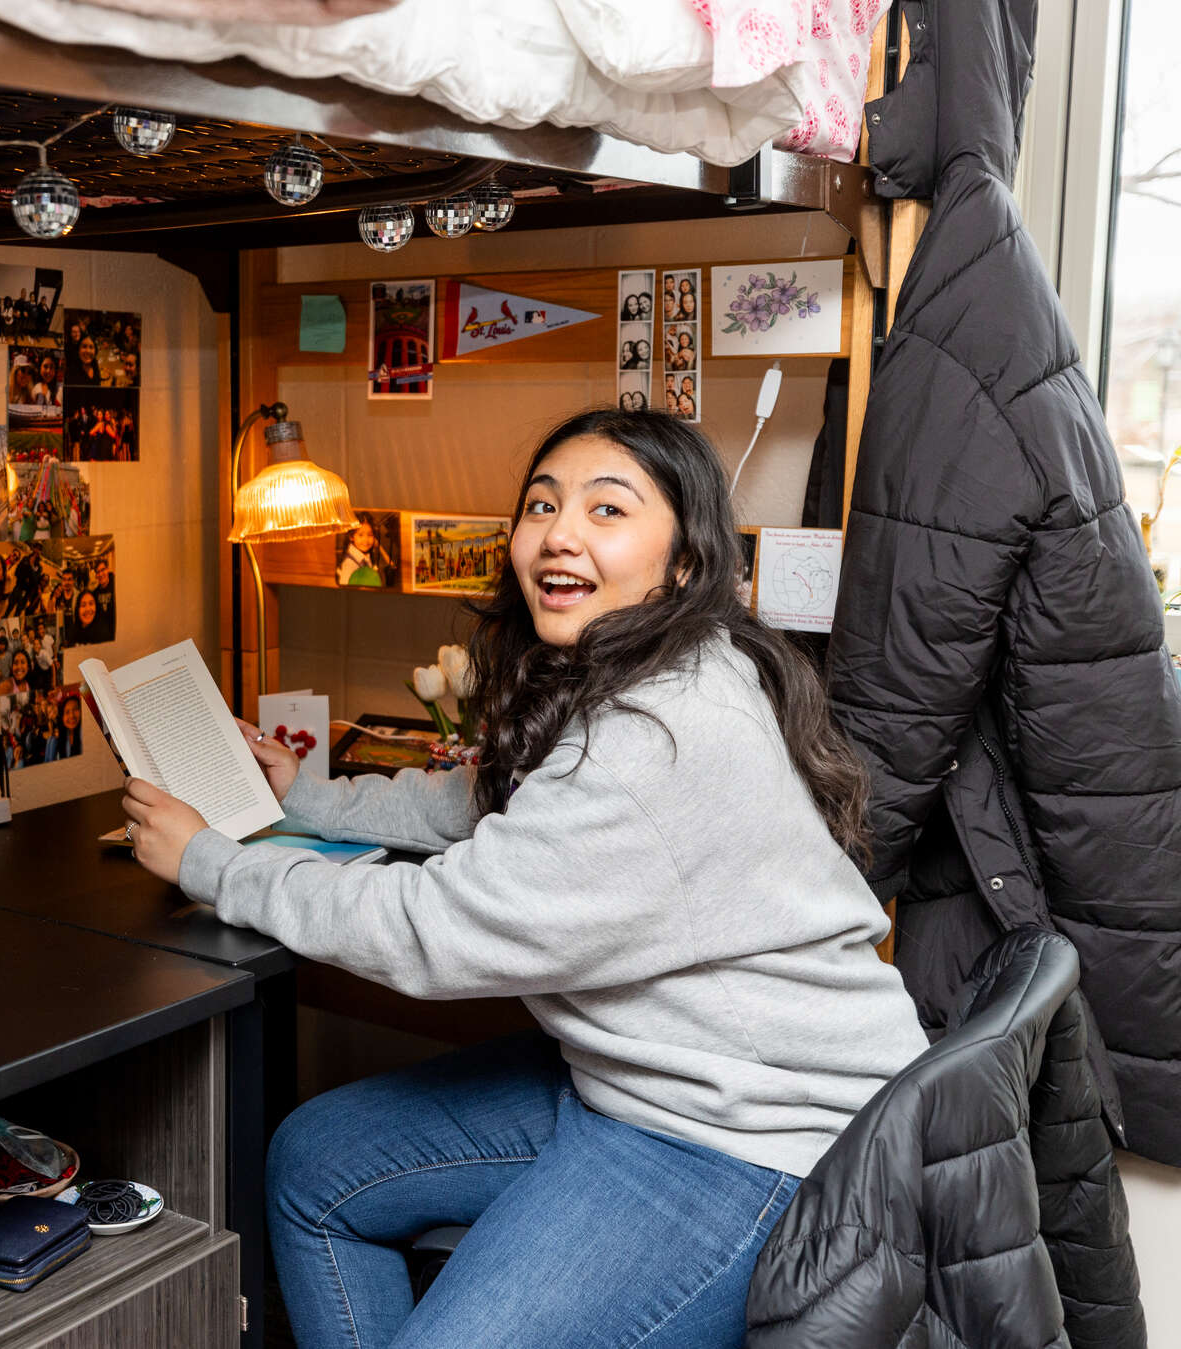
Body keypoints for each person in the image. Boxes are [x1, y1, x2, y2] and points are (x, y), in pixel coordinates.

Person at [119, 408, 928, 1348]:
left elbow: (430, 928)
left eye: (607, 508)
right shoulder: (669, 666)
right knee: (316, 1164)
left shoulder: (654, 740)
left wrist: (211, 863)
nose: (559, 531)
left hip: (754, 1144)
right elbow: (480, 802)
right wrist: (309, 797)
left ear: (682, 563)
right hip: (651, 1084)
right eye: (542, 504)